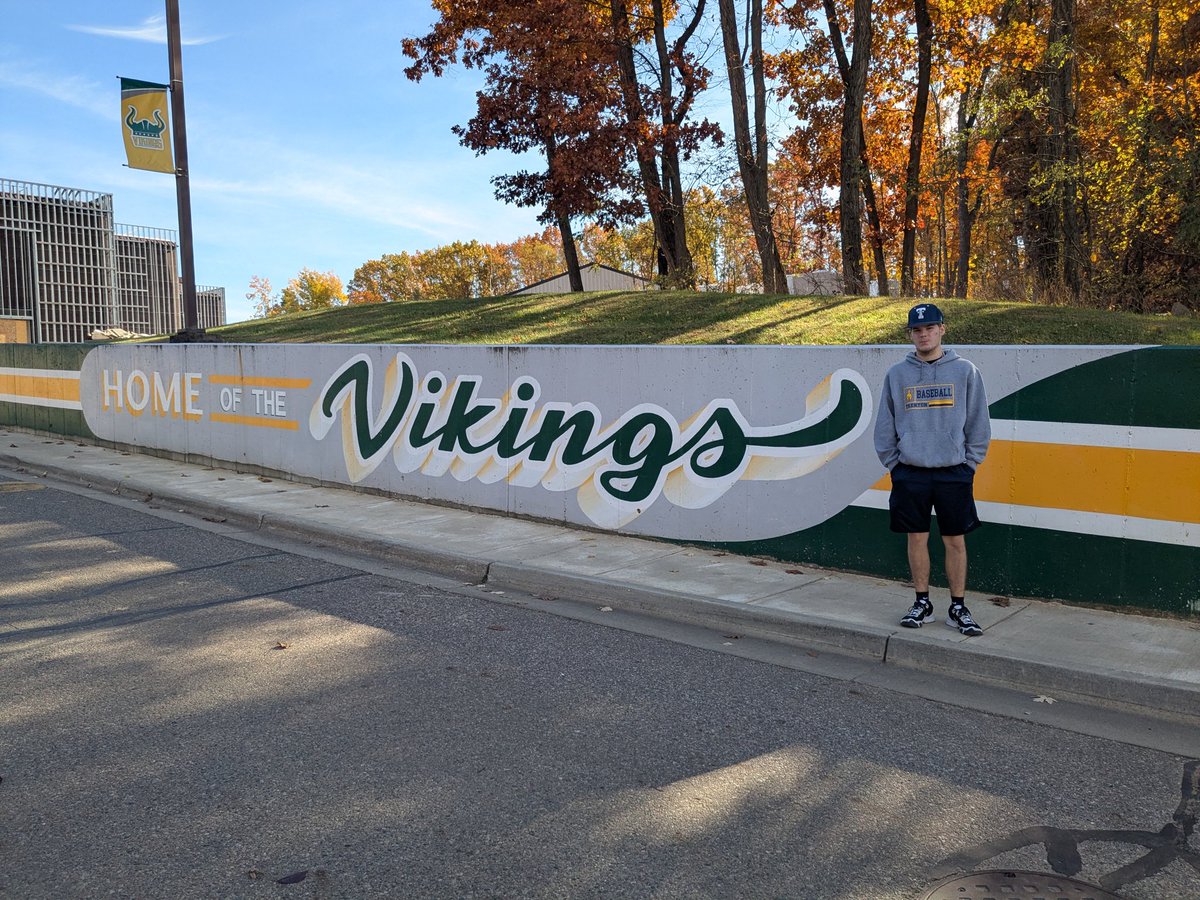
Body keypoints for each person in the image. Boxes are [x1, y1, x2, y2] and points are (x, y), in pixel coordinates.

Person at [873, 303, 991, 636]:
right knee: (917, 537)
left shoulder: (965, 371)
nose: (923, 335)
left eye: (929, 328)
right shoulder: (898, 374)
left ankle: (958, 606)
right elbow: (885, 423)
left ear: (942, 330)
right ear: (911, 334)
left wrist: (970, 463)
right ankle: (922, 602)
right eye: (916, 330)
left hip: (954, 471)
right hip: (911, 471)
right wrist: (894, 464)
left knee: (955, 541)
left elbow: (978, 422)